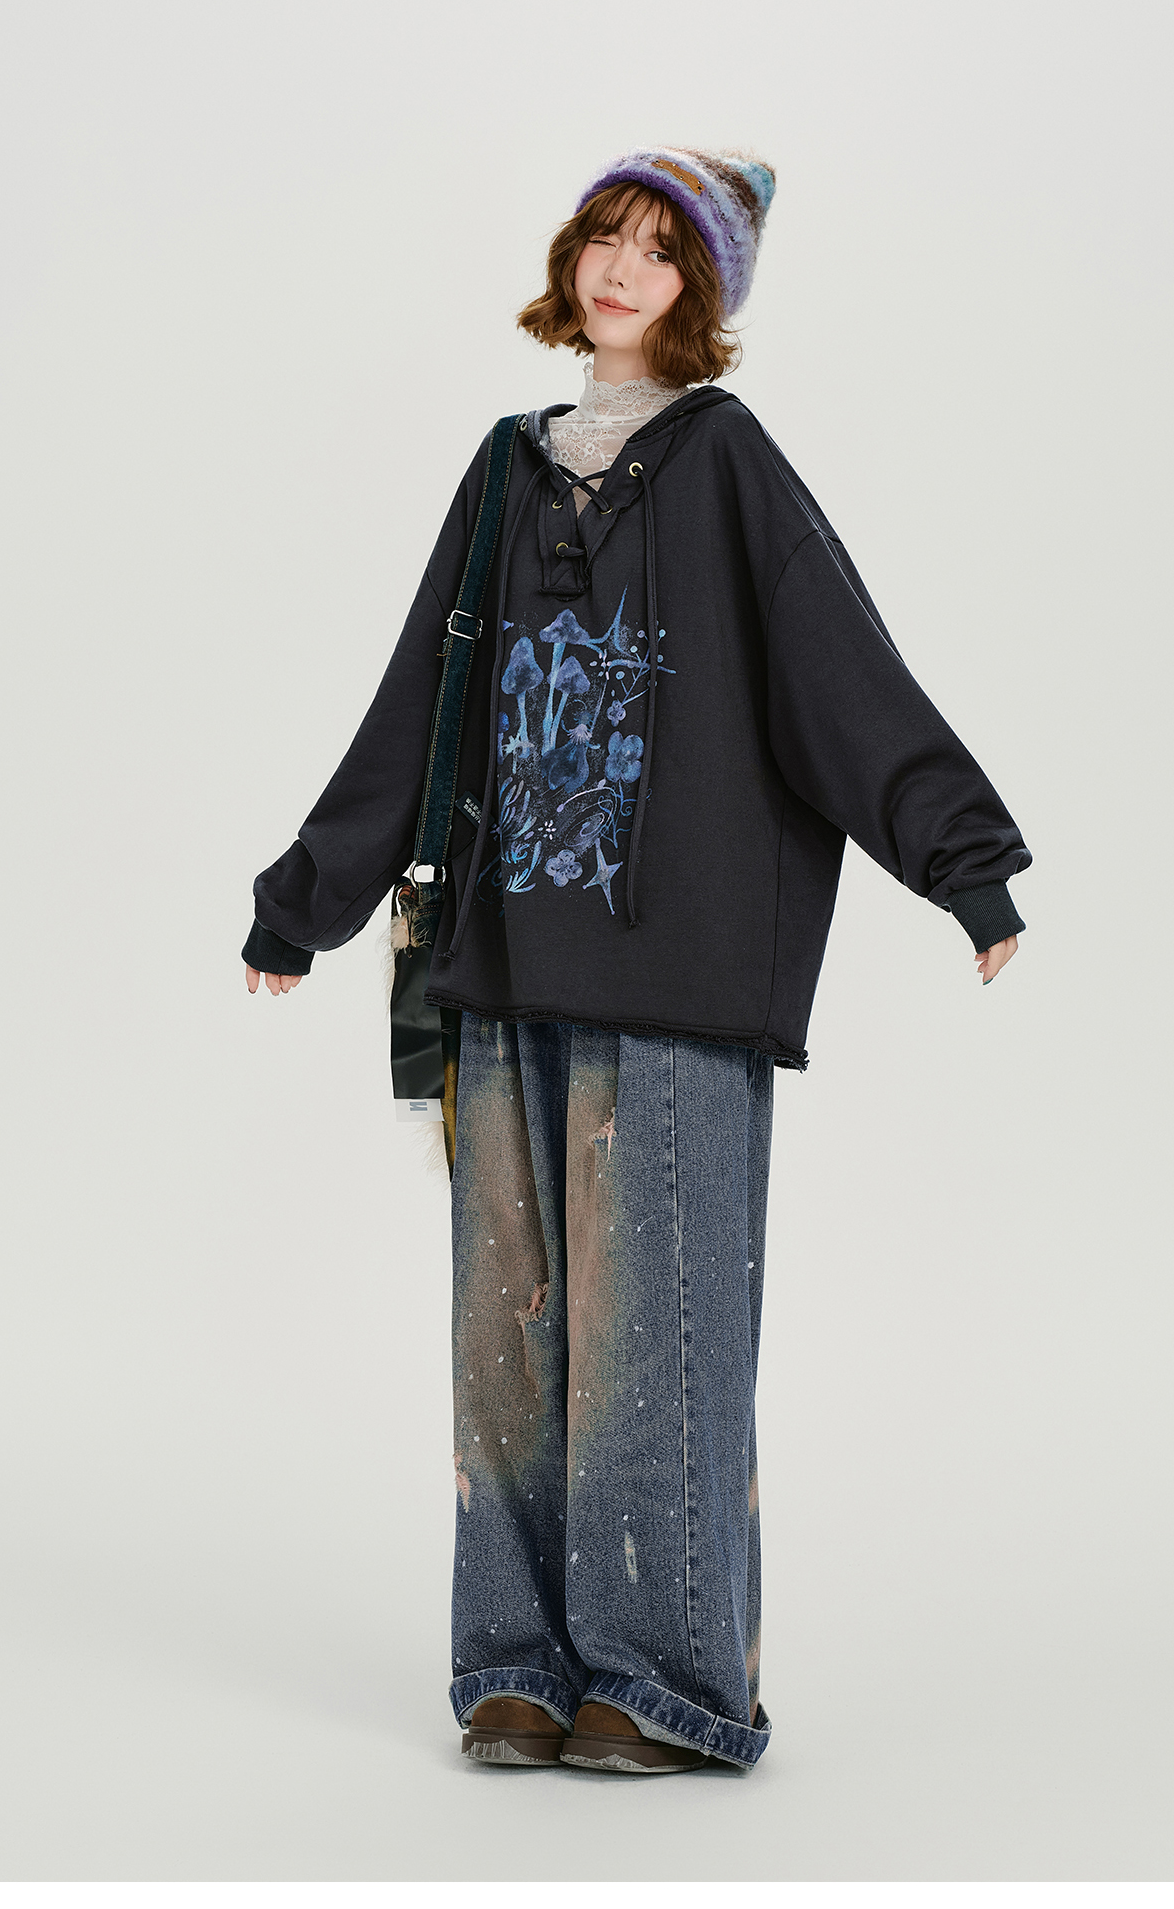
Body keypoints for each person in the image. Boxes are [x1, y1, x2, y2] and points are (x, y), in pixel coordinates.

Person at [242, 147, 1030, 1775]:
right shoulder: (505, 472)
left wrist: (966, 863)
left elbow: (839, 672)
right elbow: (419, 700)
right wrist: (306, 902)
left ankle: (666, 1683)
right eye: (605, 234)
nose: (620, 266)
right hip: (496, 965)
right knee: (509, 1337)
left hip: (677, 975)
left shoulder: (726, 461)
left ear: (700, 295)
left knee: (656, 1336)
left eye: (662, 251)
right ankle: (518, 1662)